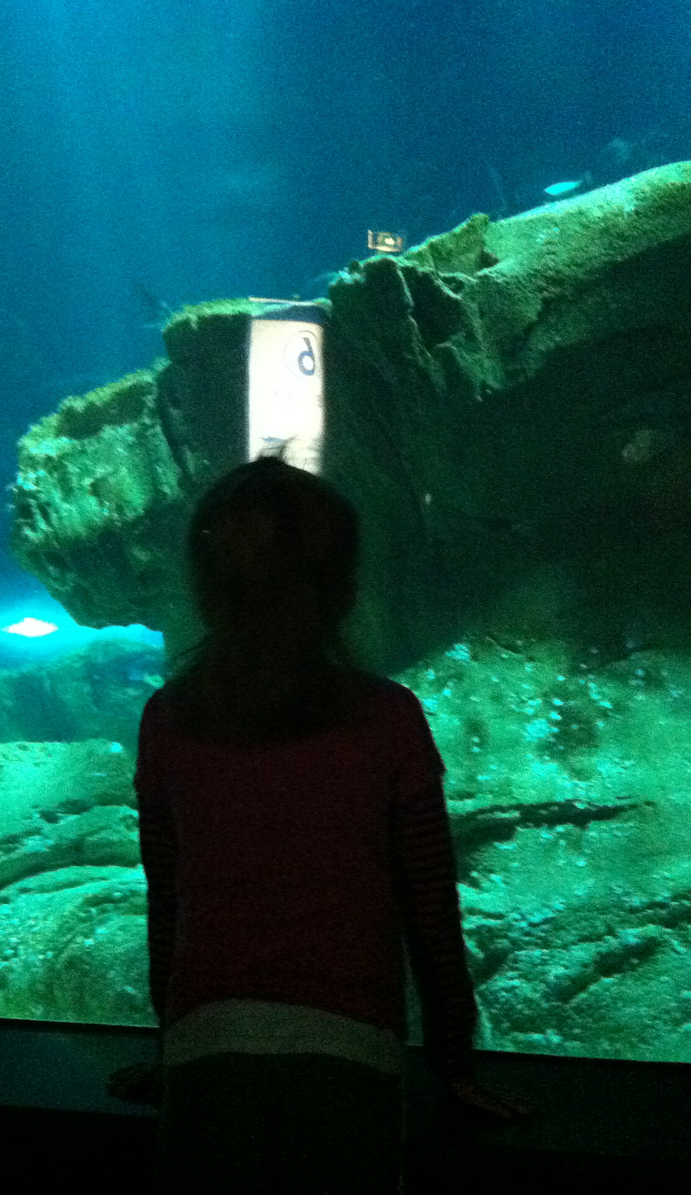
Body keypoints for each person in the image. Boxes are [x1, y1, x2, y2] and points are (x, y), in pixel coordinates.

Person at [134, 456, 526, 1192]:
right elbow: (431, 911)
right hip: (350, 1055)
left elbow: (169, 906)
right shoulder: (389, 719)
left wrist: (171, 1047)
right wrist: (454, 1063)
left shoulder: (167, 720)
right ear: (342, 591)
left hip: (203, 1056)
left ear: (205, 589)